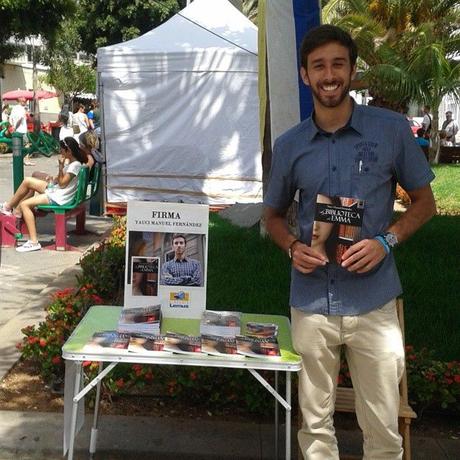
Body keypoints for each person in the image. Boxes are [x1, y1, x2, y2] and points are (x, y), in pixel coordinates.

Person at [263, 25, 436, 460]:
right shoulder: (290, 146)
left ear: (352, 71)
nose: (329, 75)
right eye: (318, 66)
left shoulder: (392, 130)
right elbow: (271, 216)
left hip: (373, 302)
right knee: (316, 430)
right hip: (311, 302)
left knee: (383, 430)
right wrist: (290, 246)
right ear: (305, 75)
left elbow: (425, 202)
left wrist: (388, 240)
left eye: (338, 64)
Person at [0, 137, 86, 252]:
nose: (60, 152)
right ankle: (8, 207)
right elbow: (61, 181)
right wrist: (53, 179)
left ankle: (34, 241)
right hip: (58, 192)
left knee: (25, 205)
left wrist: (60, 168)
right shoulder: (73, 163)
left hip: (59, 197)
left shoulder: (74, 165)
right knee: (28, 181)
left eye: (62, 150)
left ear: (68, 151)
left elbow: (63, 184)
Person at [9, 97, 34, 166]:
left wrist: (13, 126)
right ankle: (26, 160)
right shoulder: (21, 109)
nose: (25, 103)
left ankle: (17, 160)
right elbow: (20, 119)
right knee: (26, 145)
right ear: (21, 101)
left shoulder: (14, 108)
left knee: (18, 146)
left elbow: (10, 118)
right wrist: (16, 127)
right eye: (24, 101)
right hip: (22, 130)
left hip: (16, 130)